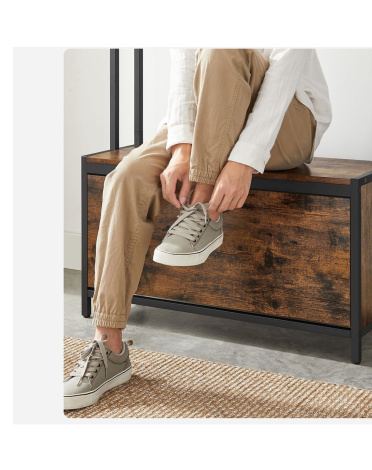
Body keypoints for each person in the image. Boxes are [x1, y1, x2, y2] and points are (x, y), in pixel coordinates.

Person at [64, 48, 332, 410]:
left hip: (287, 122)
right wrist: (181, 147)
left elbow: (281, 82)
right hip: (208, 118)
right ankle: (109, 346)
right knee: (126, 177)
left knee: (222, 48)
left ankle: (205, 208)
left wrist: (242, 161)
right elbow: (183, 69)